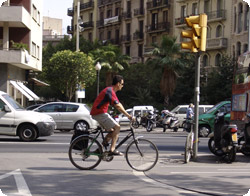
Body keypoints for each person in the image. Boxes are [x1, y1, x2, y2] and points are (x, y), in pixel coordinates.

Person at [90, 75, 132, 156]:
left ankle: (100, 148)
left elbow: (119, 104)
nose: (123, 86)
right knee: (118, 127)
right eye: (122, 84)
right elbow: (118, 107)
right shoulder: (110, 91)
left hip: (99, 113)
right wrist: (129, 116)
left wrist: (128, 114)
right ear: (118, 84)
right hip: (99, 113)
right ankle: (112, 149)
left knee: (113, 131)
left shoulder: (111, 91)